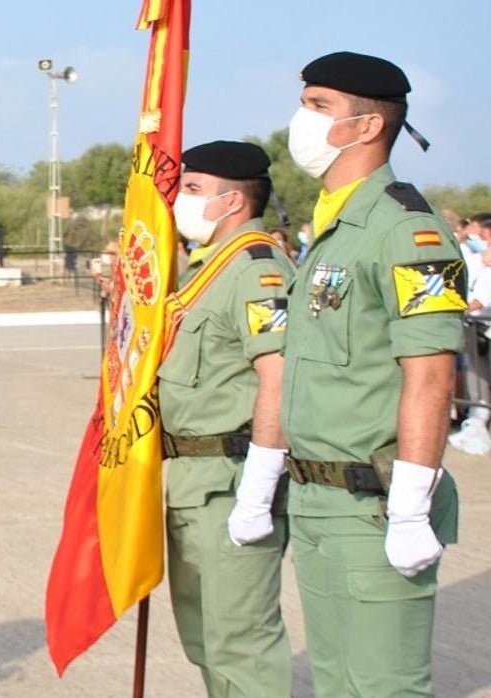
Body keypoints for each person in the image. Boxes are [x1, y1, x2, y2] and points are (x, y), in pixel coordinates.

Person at [234, 52, 462, 696]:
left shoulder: (407, 231)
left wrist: (412, 508)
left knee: (383, 686)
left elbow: (431, 377)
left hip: (374, 507)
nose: (299, 120)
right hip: (315, 502)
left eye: (318, 106)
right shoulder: (332, 234)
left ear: (365, 127)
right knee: (336, 684)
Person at [158, 141, 294, 697]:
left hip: (233, 480)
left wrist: (259, 490)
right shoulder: (207, 267)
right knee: (207, 639)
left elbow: (280, 379)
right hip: (194, 481)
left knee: (241, 645)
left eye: (192, 190)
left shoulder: (256, 269)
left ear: (232, 200)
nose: (178, 201)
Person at [450, 220, 491, 454]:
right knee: (476, 381)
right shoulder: (481, 269)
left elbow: (479, 301)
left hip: (482, 328)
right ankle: (475, 421)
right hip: (477, 329)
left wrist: (454, 310)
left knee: (480, 381)